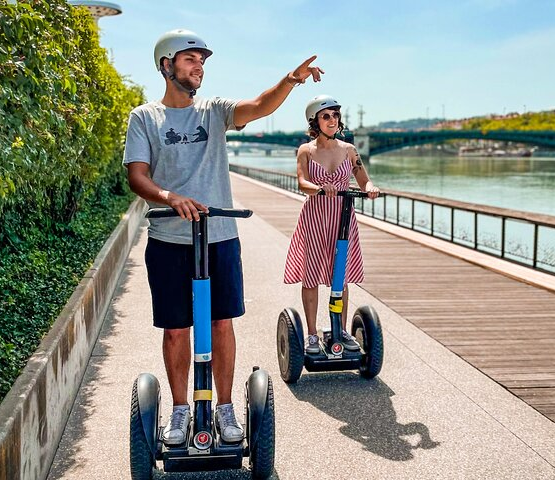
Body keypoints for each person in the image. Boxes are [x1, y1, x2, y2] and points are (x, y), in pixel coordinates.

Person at [123, 29, 323, 445]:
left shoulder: (213, 111)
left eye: (202, 61)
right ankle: (180, 411)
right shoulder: (144, 117)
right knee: (176, 329)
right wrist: (169, 197)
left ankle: (225, 407)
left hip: (220, 236)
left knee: (220, 323)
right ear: (166, 65)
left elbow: (258, 106)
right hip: (168, 239)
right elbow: (137, 176)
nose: (199, 67)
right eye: (190, 59)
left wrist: (290, 80)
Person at [283, 95, 379, 354]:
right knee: (311, 275)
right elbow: (302, 182)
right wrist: (319, 188)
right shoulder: (306, 150)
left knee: (341, 277)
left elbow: (363, 179)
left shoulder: (349, 150)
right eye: (326, 116)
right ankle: (312, 335)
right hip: (315, 216)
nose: (332, 120)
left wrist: (370, 188)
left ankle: (341, 329)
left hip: (342, 216)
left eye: (335, 115)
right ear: (315, 120)